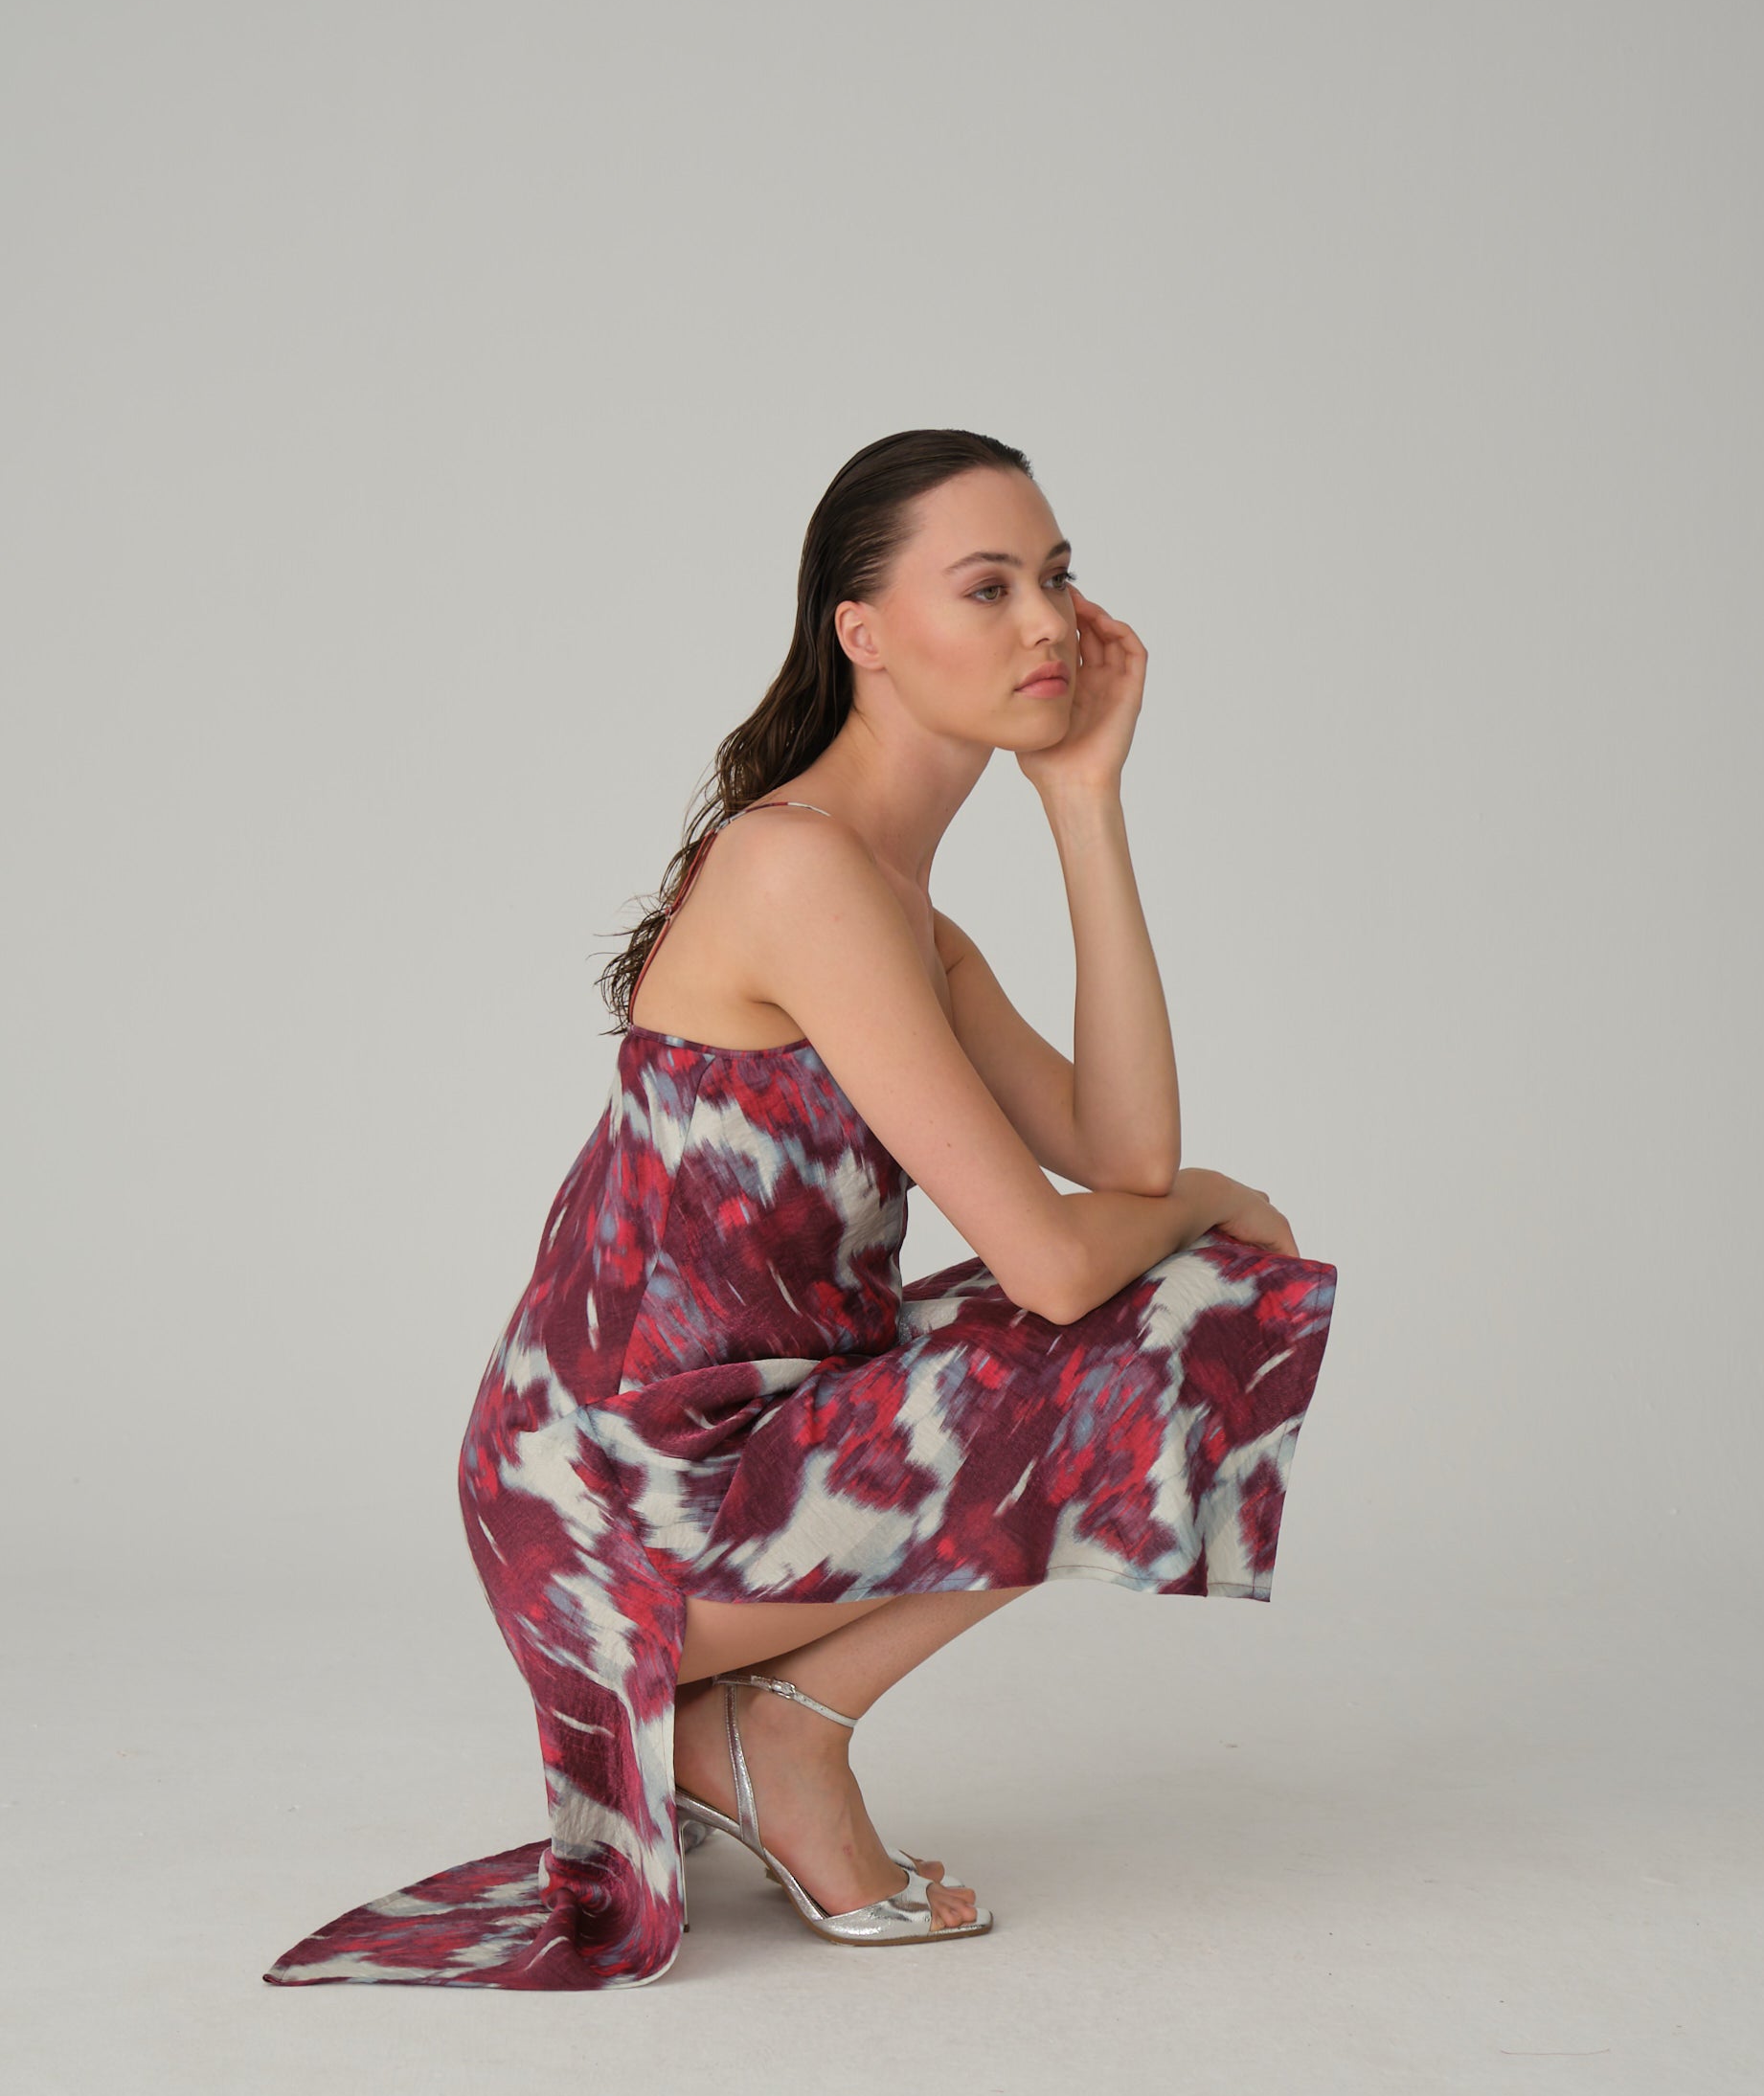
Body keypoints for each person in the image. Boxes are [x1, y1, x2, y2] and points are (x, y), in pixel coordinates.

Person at [265, 427, 1338, 1992]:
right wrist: (1218, 1200)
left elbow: (1120, 1151)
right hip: (624, 1505)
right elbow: (1060, 1262)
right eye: (988, 587)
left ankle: (759, 1729)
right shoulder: (798, 873)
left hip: (736, 1445)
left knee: (1201, 1283)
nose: (1048, 621)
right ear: (864, 632)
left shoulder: (896, 904)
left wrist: (1084, 801)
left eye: (1058, 577)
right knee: (1187, 1294)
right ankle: (786, 1734)